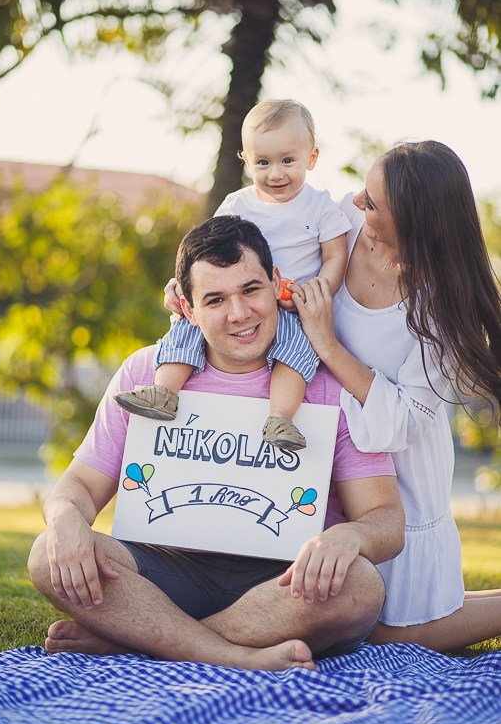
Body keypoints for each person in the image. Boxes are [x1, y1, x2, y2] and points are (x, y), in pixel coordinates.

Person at [28, 215, 404, 672]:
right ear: (186, 309)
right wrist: (65, 516)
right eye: (215, 299)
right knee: (48, 554)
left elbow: (386, 520)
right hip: (169, 569)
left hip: (284, 581)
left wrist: (349, 536)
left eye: (251, 290)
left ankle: (146, 640)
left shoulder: (329, 386)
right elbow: (79, 487)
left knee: (360, 586)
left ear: (276, 283)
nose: (240, 313)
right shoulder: (147, 373)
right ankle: (230, 655)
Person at [290, 140, 501, 652]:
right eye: (365, 189)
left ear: (414, 224)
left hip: (397, 466)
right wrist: (189, 285)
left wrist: (328, 344)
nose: (357, 201)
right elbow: (260, 254)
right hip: (322, 444)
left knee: (385, 631)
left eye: (374, 203)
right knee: (326, 605)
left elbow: (405, 423)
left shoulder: (441, 310)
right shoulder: (341, 221)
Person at [114, 99, 351, 452]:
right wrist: (182, 285)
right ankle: (164, 391)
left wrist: (318, 290)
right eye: (263, 162)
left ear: (311, 158)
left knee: (297, 353)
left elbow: (336, 256)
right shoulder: (237, 204)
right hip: (242, 295)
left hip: (289, 305)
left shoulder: (320, 206)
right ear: (245, 160)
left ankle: (280, 419)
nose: (275, 173)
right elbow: (206, 254)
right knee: (186, 325)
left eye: (288, 160)